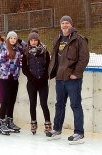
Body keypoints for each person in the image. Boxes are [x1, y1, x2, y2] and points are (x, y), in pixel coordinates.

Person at [46, 15, 89, 144]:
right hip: (60, 78)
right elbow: (54, 58)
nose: (64, 25)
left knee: (75, 105)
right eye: (63, 23)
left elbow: (84, 58)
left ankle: (79, 133)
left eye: (67, 23)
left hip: (72, 79)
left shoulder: (79, 39)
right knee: (59, 105)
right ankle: (57, 129)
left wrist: (76, 73)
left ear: (71, 24)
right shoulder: (57, 38)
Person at [22, 28, 51, 134]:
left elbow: (49, 66)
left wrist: (44, 78)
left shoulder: (44, 51)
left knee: (44, 103)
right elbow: (24, 69)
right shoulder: (26, 53)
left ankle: (47, 123)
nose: (33, 42)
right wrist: (33, 79)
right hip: (32, 83)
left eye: (35, 40)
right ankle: (33, 122)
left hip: (43, 82)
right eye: (31, 40)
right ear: (29, 41)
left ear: (38, 40)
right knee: (32, 103)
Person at [0, 31, 26, 135]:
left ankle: (9, 121)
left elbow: (26, 48)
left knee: (12, 100)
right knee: (5, 100)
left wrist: (20, 41)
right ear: (8, 39)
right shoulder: (4, 48)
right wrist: (7, 73)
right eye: (11, 38)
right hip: (6, 78)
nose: (13, 40)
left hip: (14, 78)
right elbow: (0, 62)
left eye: (15, 38)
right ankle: (1, 123)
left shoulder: (17, 49)